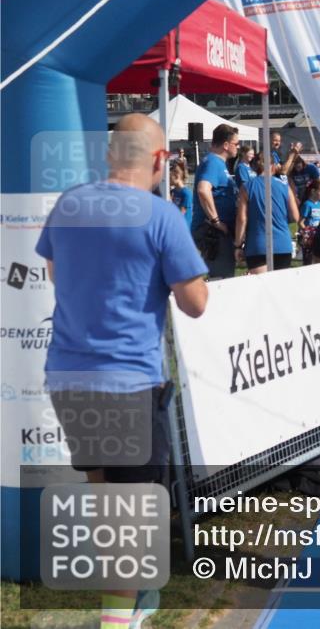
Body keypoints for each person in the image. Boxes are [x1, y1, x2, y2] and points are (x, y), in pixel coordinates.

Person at [35, 114, 208, 629]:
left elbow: (53, 271)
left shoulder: (69, 204)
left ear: (112, 154)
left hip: (69, 378)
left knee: (106, 496)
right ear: (159, 160)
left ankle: (133, 600)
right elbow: (195, 302)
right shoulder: (160, 216)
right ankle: (118, 619)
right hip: (127, 381)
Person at [234, 154, 300, 273]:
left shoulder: (246, 187)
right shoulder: (285, 186)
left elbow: (242, 219)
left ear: (254, 167)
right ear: (273, 167)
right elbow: (295, 217)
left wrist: (238, 245)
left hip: (257, 244)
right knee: (279, 288)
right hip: (282, 244)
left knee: (261, 289)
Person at [192, 124, 240, 279]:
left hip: (219, 232)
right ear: (226, 145)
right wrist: (216, 221)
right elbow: (203, 189)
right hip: (214, 233)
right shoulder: (212, 162)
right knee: (221, 281)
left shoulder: (219, 163)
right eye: (236, 144)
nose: (238, 147)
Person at [169, 163, 193, 229]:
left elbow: (181, 214)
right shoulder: (172, 192)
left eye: (169, 176)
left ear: (177, 176)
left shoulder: (186, 193)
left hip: (183, 229)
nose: (168, 180)